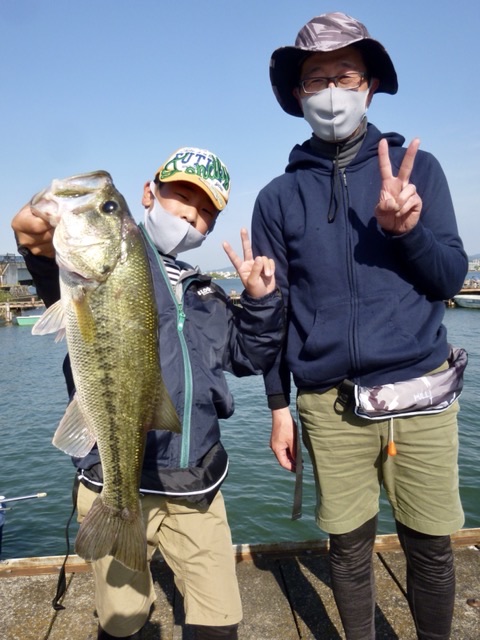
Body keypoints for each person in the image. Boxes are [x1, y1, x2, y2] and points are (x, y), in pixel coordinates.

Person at [251, 12, 468, 640]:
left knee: (431, 546)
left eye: (345, 75)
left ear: (369, 86)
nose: (331, 91)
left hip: (421, 393)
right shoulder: (277, 198)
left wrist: (408, 232)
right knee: (346, 549)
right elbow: (274, 313)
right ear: (298, 94)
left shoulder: (419, 170)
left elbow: (450, 278)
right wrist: (278, 406)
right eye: (316, 78)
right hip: (328, 403)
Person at [12, 147, 284, 640]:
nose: (191, 216)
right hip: (112, 480)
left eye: (206, 211)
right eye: (182, 197)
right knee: (124, 623)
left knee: (220, 621)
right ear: (148, 194)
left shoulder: (206, 293)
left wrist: (262, 304)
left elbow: (248, 357)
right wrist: (40, 224)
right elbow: (33, 236)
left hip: (195, 483)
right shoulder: (91, 273)